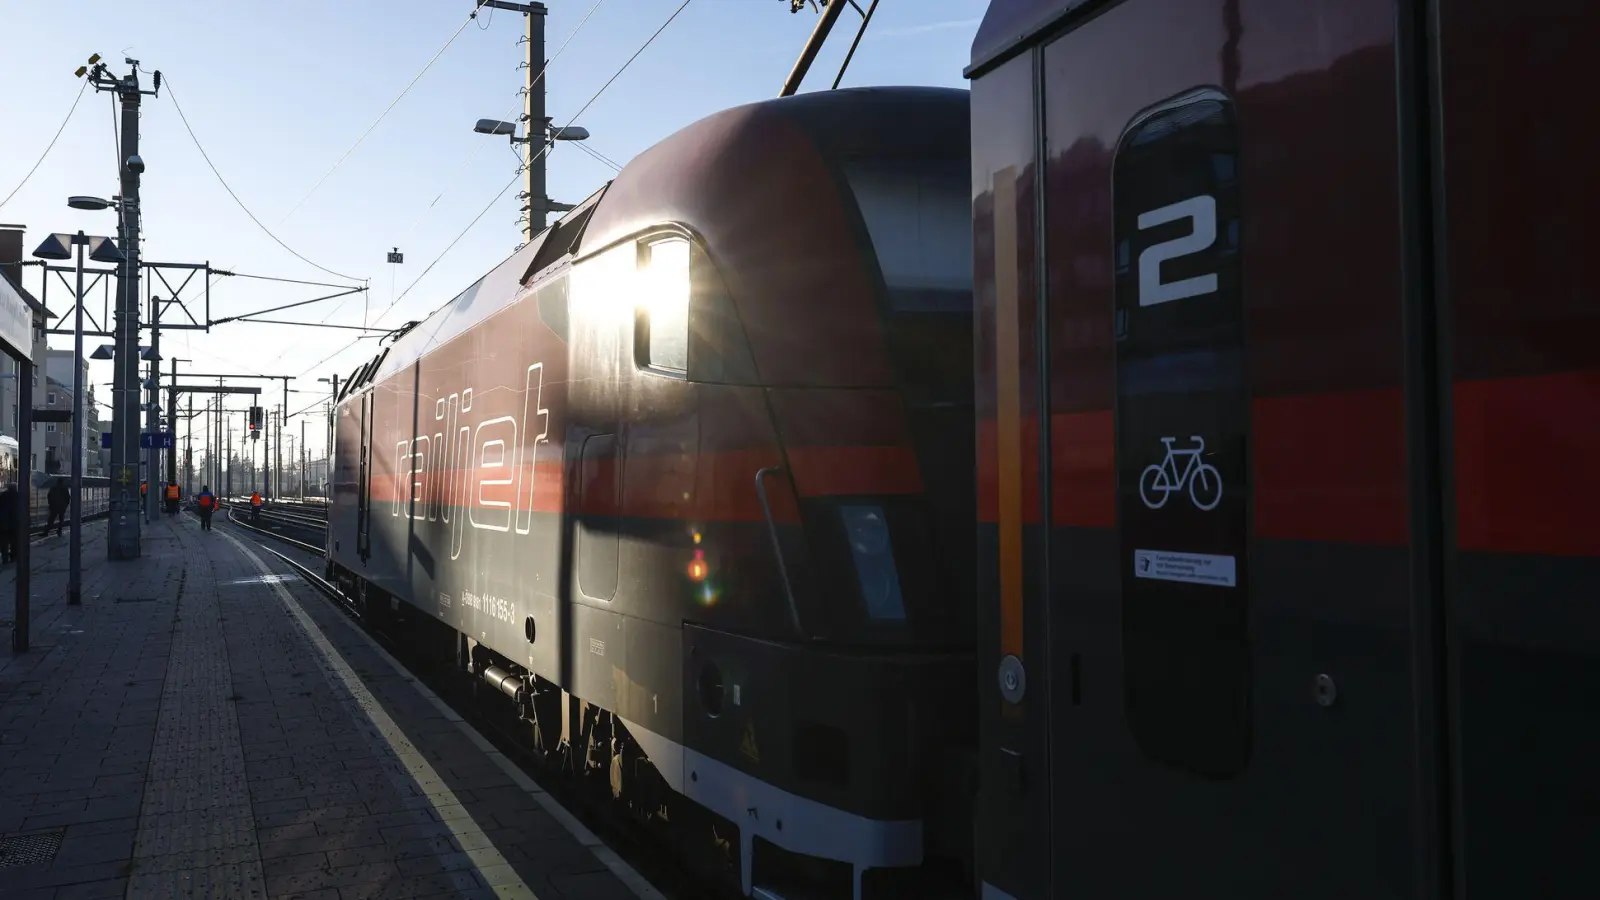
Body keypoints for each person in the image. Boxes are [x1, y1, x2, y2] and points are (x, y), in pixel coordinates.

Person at [0, 482, 17, 565]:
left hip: (4, 523)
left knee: (4, 542)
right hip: (14, 523)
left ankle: (5, 558)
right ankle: (13, 557)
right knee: (14, 542)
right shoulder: (19, 496)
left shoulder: (3, 495)